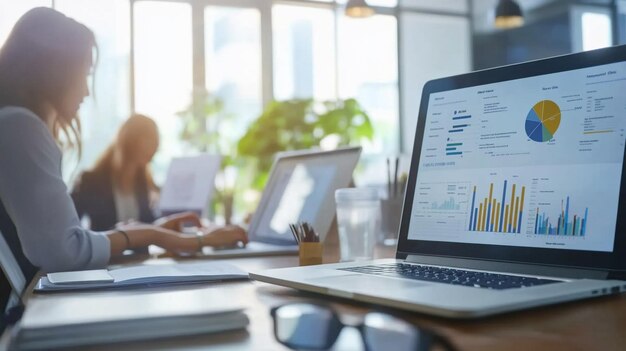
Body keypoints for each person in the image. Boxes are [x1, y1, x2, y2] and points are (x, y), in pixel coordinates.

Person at [0, 7, 248, 283]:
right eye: (84, 74)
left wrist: (150, 230)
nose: (85, 91)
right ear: (55, 72)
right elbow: (64, 250)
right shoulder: (19, 126)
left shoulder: (13, 125)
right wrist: (157, 235)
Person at [72, 114, 162, 231]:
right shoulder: (91, 181)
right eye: (149, 139)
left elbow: (148, 225)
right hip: (107, 249)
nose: (154, 146)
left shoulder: (143, 183)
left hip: (141, 250)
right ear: (130, 141)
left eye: (155, 140)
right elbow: (68, 224)